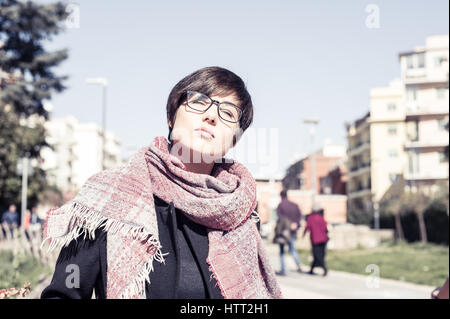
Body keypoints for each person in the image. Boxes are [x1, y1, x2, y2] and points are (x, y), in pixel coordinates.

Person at [40, 66, 282, 299]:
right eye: (199, 102)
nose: (211, 116)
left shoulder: (240, 211)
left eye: (228, 113)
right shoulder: (109, 198)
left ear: (234, 140)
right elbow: (64, 293)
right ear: (171, 116)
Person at [274, 189, 303, 276]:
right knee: (292, 249)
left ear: (281, 196)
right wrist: (296, 224)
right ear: (287, 195)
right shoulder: (294, 205)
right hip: (293, 231)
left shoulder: (280, 205)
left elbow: (280, 219)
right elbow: (299, 216)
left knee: (282, 251)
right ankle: (299, 265)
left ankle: (283, 270)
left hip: (284, 233)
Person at [303, 204, 329, 276]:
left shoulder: (310, 218)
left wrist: (303, 235)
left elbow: (307, 227)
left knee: (317, 255)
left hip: (315, 239)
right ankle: (312, 269)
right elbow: (326, 228)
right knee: (319, 254)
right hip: (323, 239)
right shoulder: (321, 217)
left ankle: (324, 268)